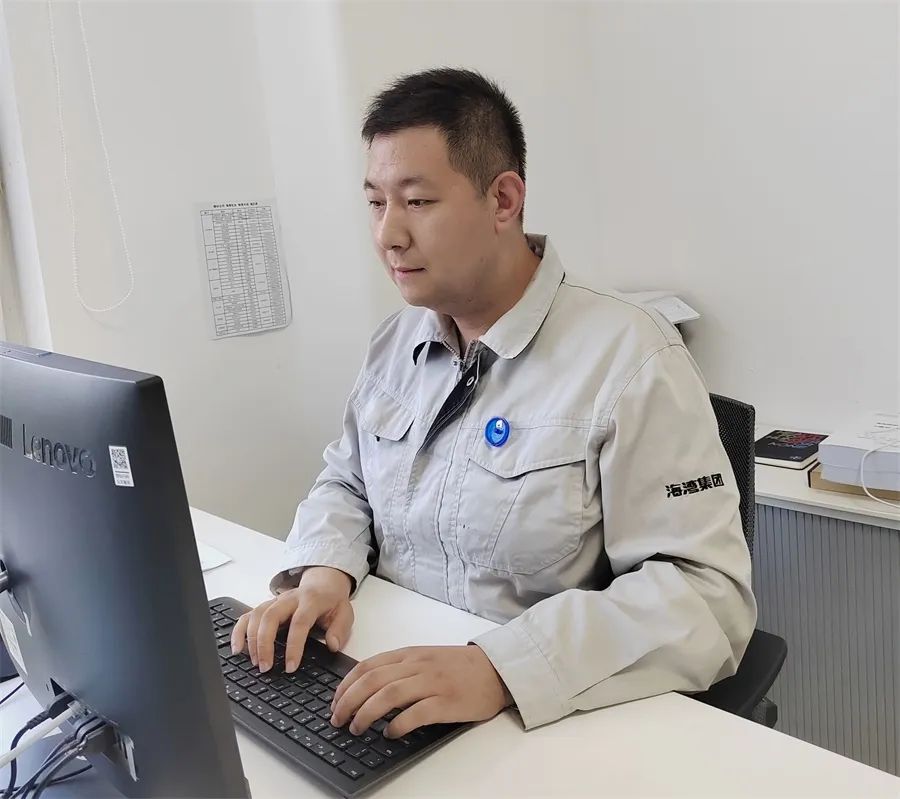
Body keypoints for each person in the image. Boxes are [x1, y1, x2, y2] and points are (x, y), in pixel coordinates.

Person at [231, 68, 757, 740]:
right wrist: (324, 574)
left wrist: (501, 668)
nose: (388, 234)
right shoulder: (396, 342)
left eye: (417, 201)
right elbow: (348, 481)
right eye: (375, 203)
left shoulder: (630, 356)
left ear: (503, 199)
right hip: (383, 681)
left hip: (541, 715)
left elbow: (706, 598)